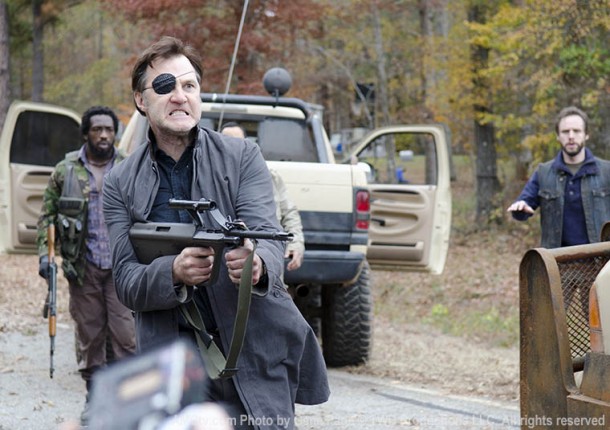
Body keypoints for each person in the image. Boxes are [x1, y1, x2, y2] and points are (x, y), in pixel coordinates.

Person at [102, 36, 329, 429]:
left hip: (254, 346)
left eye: (189, 85)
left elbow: (268, 235)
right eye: (165, 86)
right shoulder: (119, 183)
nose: (180, 96)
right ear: (141, 100)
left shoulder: (242, 157)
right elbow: (126, 281)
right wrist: (173, 271)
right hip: (174, 364)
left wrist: (257, 264)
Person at [37, 105, 136, 424]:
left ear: (115, 133)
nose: (104, 135)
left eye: (109, 129)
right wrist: (44, 256)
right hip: (83, 268)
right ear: (85, 134)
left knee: (125, 337)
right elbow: (47, 217)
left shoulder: (129, 167)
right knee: (90, 335)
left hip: (122, 268)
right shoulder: (66, 170)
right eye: (97, 129)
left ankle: (122, 400)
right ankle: (94, 398)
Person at [507, 106, 610, 248]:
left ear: (586, 134)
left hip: (600, 257)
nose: (571, 136)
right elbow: (523, 206)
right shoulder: (544, 172)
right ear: (558, 136)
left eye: (577, 131)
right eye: (565, 131)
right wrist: (520, 208)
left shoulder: (606, 171)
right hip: (556, 258)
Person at [220, 121, 305, 271]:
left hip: (267, 265)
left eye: (238, 142)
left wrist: (296, 243)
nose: (233, 147)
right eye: (227, 142)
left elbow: (289, 214)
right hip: (224, 265)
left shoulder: (270, 177)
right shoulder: (209, 180)